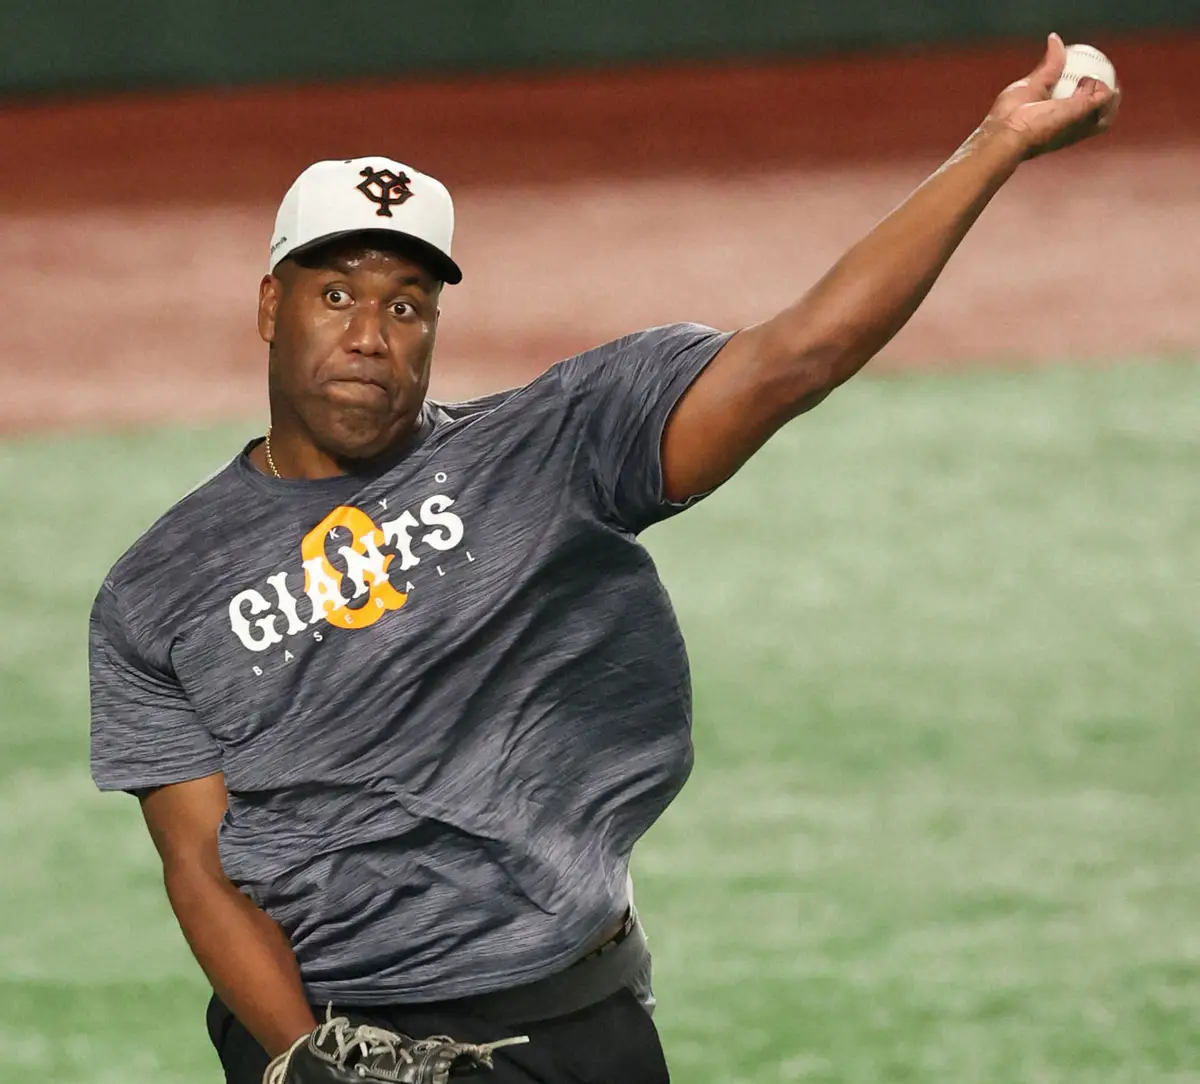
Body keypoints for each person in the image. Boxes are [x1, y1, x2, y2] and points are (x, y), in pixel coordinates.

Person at [89, 35, 1117, 1084]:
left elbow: (799, 353)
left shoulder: (552, 447)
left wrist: (996, 145)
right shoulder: (157, 590)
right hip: (330, 1031)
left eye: (405, 305)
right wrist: (305, 1057)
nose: (370, 335)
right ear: (272, 305)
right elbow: (202, 866)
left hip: (567, 1021)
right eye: (336, 294)